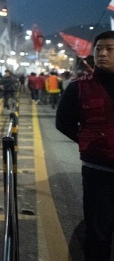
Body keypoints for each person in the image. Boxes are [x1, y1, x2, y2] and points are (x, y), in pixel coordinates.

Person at [55, 30, 114, 261]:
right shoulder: (79, 87)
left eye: (110, 49)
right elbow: (63, 122)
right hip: (98, 173)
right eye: (99, 49)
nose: (103, 53)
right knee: (98, 234)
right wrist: (90, 142)